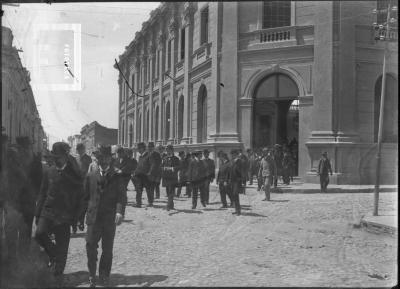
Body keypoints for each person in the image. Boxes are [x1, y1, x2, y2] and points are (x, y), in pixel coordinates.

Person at [34, 142, 85, 284]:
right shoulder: (49, 171)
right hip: (48, 212)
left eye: (59, 157)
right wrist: (37, 214)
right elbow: (42, 193)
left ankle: (57, 274)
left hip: (65, 215)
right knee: (39, 234)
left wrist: (77, 218)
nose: (56, 160)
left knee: (62, 250)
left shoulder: (74, 174)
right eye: (54, 157)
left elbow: (81, 198)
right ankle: (54, 255)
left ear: (66, 156)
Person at [84, 145, 127, 287]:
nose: (103, 160)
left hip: (109, 218)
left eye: (106, 157)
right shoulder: (91, 175)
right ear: (97, 159)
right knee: (90, 246)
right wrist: (80, 216)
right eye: (100, 157)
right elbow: (85, 197)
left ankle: (103, 275)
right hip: (93, 218)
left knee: (107, 249)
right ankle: (91, 274)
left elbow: (121, 196)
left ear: (110, 159)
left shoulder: (118, 175)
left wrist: (119, 211)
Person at [73, 143, 92, 234]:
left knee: (83, 204)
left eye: (81, 149)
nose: (79, 151)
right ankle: (75, 222)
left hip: (85, 183)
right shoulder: (75, 159)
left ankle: (80, 221)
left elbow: (90, 172)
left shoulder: (88, 159)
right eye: (78, 149)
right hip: (76, 184)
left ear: (84, 149)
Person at [132, 142, 152, 208]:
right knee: (138, 189)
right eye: (138, 148)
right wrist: (135, 172)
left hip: (146, 176)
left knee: (148, 189)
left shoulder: (149, 155)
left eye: (139, 148)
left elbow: (152, 165)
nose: (138, 150)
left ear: (143, 148)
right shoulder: (140, 157)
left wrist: (149, 173)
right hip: (139, 175)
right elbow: (139, 166)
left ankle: (150, 202)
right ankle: (138, 203)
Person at [161, 145, 180, 211]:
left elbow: (178, 167)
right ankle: (171, 205)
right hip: (166, 177)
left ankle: (168, 206)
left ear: (172, 150)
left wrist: (172, 168)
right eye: (167, 150)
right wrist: (163, 168)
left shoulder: (176, 159)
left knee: (171, 191)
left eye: (169, 150)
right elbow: (161, 167)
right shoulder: (164, 158)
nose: (168, 151)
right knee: (168, 192)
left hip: (173, 178)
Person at [229, 149, 243, 215]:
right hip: (232, 181)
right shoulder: (232, 162)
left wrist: (240, 179)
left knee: (235, 195)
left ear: (235, 155)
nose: (231, 155)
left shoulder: (239, 161)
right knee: (233, 195)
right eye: (231, 154)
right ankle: (236, 209)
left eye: (233, 154)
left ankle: (238, 211)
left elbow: (240, 171)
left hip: (237, 181)